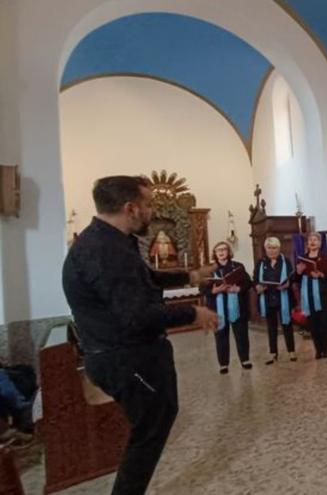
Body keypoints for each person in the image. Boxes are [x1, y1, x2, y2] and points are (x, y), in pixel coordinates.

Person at [62, 175, 218, 495]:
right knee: (148, 431)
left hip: (122, 354)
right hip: (125, 357)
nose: (151, 211)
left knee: (151, 424)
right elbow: (137, 316)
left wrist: (188, 274)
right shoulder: (106, 251)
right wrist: (193, 312)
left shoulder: (110, 240)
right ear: (130, 208)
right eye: (148, 205)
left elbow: (145, 278)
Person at [203, 241, 252, 374]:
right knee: (221, 336)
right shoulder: (209, 269)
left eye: (223, 249)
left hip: (237, 305)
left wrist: (238, 288)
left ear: (228, 252)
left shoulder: (238, 266)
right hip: (218, 307)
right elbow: (202, 288)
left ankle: (245, 359)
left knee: (241, 334)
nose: (221, 252)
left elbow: (248, 283)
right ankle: (223, 364)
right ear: (215, 253)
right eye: (218, 250)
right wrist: (214, 291)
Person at [254, 237, 297, 364]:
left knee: (287, 325)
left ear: (279, 249)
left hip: (283, 298)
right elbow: (255, 279)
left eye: (274, 248)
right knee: (271, 327)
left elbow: (292, 277)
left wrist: (287, 284)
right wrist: (257, 286)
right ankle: (273, 353)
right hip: (267, 298)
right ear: (265, 249)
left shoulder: (286, 261)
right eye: (269, 248)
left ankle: (291, 351)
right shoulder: (261, 263)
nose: (272, 251)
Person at [296, 232, 327, 359]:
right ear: (307, 244)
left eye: (315, 240)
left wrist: (321, 275)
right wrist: (298, 272)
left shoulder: (325, 257)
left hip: (323, 293)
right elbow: (296, 278)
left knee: (324, 322)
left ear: (319, 243)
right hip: (308, 294)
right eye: (310, 240)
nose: (312, 242)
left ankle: (325, 349)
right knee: (313, 323)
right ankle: (318, 350)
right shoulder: (301, 258)